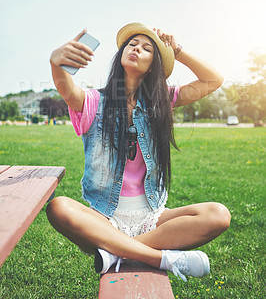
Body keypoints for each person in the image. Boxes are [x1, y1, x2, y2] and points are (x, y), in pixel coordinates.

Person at [47, 22, 230, 282]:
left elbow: (213, 80)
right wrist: (56, 65)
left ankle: (115, 254)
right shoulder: (93, 103)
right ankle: (162, 258)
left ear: (154, 65)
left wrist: (177, 50)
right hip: (104, 218)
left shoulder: (162, 101)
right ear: (121, 54)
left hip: (151, 218)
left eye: (146, 49)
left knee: (219, 215)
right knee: (59, 207)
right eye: (132, 44)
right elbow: (67, 88)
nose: (136, 49)